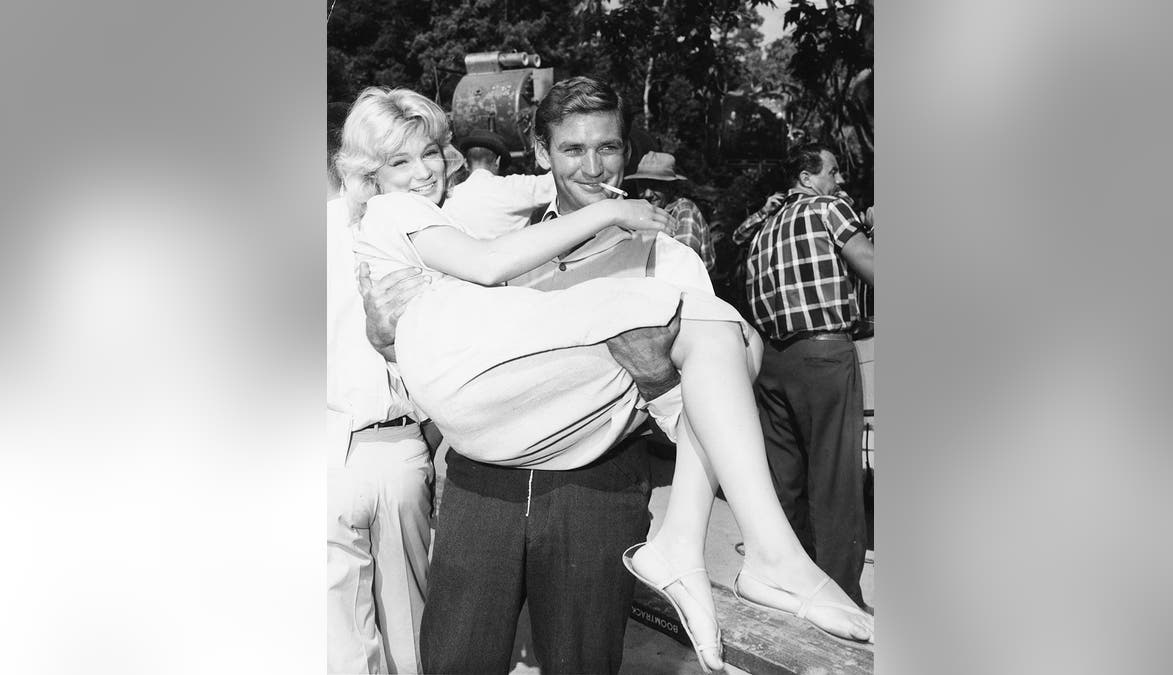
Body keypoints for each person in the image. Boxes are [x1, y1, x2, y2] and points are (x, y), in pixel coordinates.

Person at [340, 81, 873, 674]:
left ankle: (717, 551)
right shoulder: (497, 240)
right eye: (572, 150)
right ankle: (755, 555)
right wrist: (387, 343)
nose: (593, 167)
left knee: (582, 664)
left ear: (625, 151)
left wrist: (657, 382)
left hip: (595, 492)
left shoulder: (665, 255)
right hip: (482, 486)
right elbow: (450, 359)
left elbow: (708, 420)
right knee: (455, 660)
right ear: (541, 154)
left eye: (609, 148)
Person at [738, 143, 876, 612]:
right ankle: (840, 599)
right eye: (833, 171)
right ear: (806, 176)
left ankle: (788, 584)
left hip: (772, 362)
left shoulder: (763, 227)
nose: (839, 181)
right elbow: (870, 264)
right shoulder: (830, 208)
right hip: (823, 356)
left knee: (784, 482)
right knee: (835, 482)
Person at [327, 169, 441, 670]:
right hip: (398, 441)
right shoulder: (429, 234)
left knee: (341, 639)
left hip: (328, 446)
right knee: (408, 630)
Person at [440, 127, 557, 240]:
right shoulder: (516, 187)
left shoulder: (447, 198)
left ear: (465, 163)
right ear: (498, 161)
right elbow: (559, 182)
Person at [625, 150, 716, 272]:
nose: (647, 194)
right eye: (642, 185)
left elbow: (682, 264)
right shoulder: (645, 213)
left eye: (655, 186)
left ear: (671, 187)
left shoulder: (684, 211)